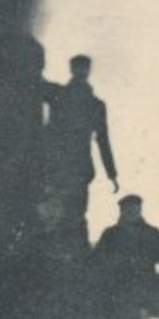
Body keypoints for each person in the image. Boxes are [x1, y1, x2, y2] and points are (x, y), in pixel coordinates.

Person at [41, 54, 119, 236]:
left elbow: (103, 139)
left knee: (66, 215)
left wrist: (112, 174)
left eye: (83, 68)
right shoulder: (88, 102)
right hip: (71, 167)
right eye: (79, 67)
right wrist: (111, 174)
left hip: (64, 167)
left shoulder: (64, 95)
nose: (81, 71)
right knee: (70, 215)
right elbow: (103, 141)